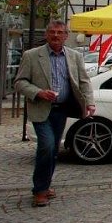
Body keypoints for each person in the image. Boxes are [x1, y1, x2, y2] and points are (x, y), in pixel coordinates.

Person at [15, 20, 95, 208]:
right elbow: (20, 82)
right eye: (52, 32)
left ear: (66, 36)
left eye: (60, 32)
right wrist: (39, 92)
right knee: (47, 146)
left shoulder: (74, 56)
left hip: (62, 109)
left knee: (52, 151)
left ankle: (45, 184)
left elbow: (84, 81)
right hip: (40, 109)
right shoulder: (32, 55)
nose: (56, 35)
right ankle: (40, 191)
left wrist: (89, 102)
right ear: (46, 34)